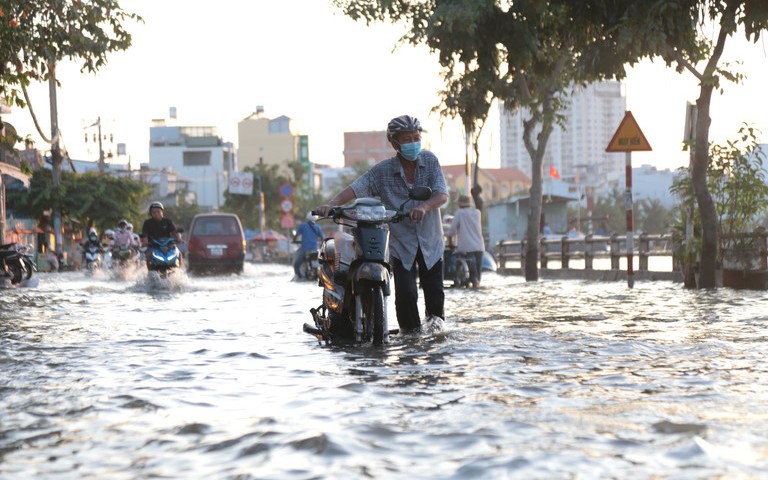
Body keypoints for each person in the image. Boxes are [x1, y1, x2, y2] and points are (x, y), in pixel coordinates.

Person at [315, 114, 449, 332]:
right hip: (402, 243)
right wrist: (331, 204)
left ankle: (436, 336)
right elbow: (356, 188)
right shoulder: (382, 171)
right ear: (394, 143)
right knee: (406, 294)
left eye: (416, 137)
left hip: (430, 241)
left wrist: (423, 207)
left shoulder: (430, 161)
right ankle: (410, 338)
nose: (413, 142)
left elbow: (442, 195)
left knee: (435, 292)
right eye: (407, 139)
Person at [446, 195, 486, 289]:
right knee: (477, 271)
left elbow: (452, 231)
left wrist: (444, 234)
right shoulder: (477, 212)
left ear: (459, 204)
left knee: (472, 270)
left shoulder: (460, 213)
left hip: (467, 246)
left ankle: (468, 282)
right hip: (479, 245)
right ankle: (476, 285)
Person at [140, 201, 182, 269]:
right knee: (147, 255)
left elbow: (175, 231)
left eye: (158, 211)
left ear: (162, 212)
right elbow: (144, 234)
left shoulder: (168, 221)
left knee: (179, 254)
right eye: (154, 212)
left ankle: (179, 270)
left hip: (168, 246)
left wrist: (179, 237)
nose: (156, 214)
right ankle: (149, 271)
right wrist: (145, 241)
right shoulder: (147, 223)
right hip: (153, 246)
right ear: (150, 213)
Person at [292, 212, 324, 280]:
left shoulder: (303, 226)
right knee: (319, 263)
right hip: (314, 249)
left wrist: (294, 241)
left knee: (296, 264)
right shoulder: (317, 227)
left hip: (304, 249)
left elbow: (296, 235)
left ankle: (299, 277)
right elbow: (322, 238)